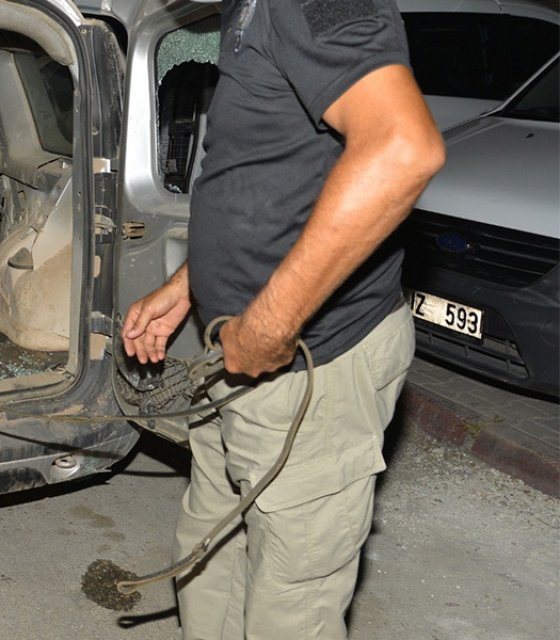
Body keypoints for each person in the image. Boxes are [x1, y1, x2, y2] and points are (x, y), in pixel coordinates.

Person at [121, 0, 444, 638]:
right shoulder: (248, 8)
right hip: (234, 355)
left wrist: (270, 324)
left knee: (290, 598)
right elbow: (276, 172)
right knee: (208, 540)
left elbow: (402, 150)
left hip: (310, 363)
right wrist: (191, 283)